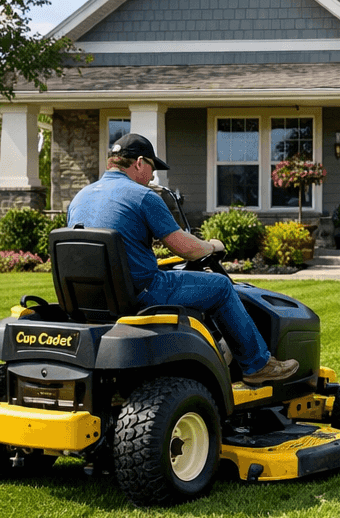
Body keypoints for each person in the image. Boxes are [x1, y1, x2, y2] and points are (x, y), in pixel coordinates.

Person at [67, 133, 298, 385]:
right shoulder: (142, 196)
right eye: (151, 170)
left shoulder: (80, 197)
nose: (151, 178)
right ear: (139, 162)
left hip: (93, 299)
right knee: (220, 287)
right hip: (141, 292)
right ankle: (257, 365)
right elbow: (186, 249)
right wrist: (210, 245)